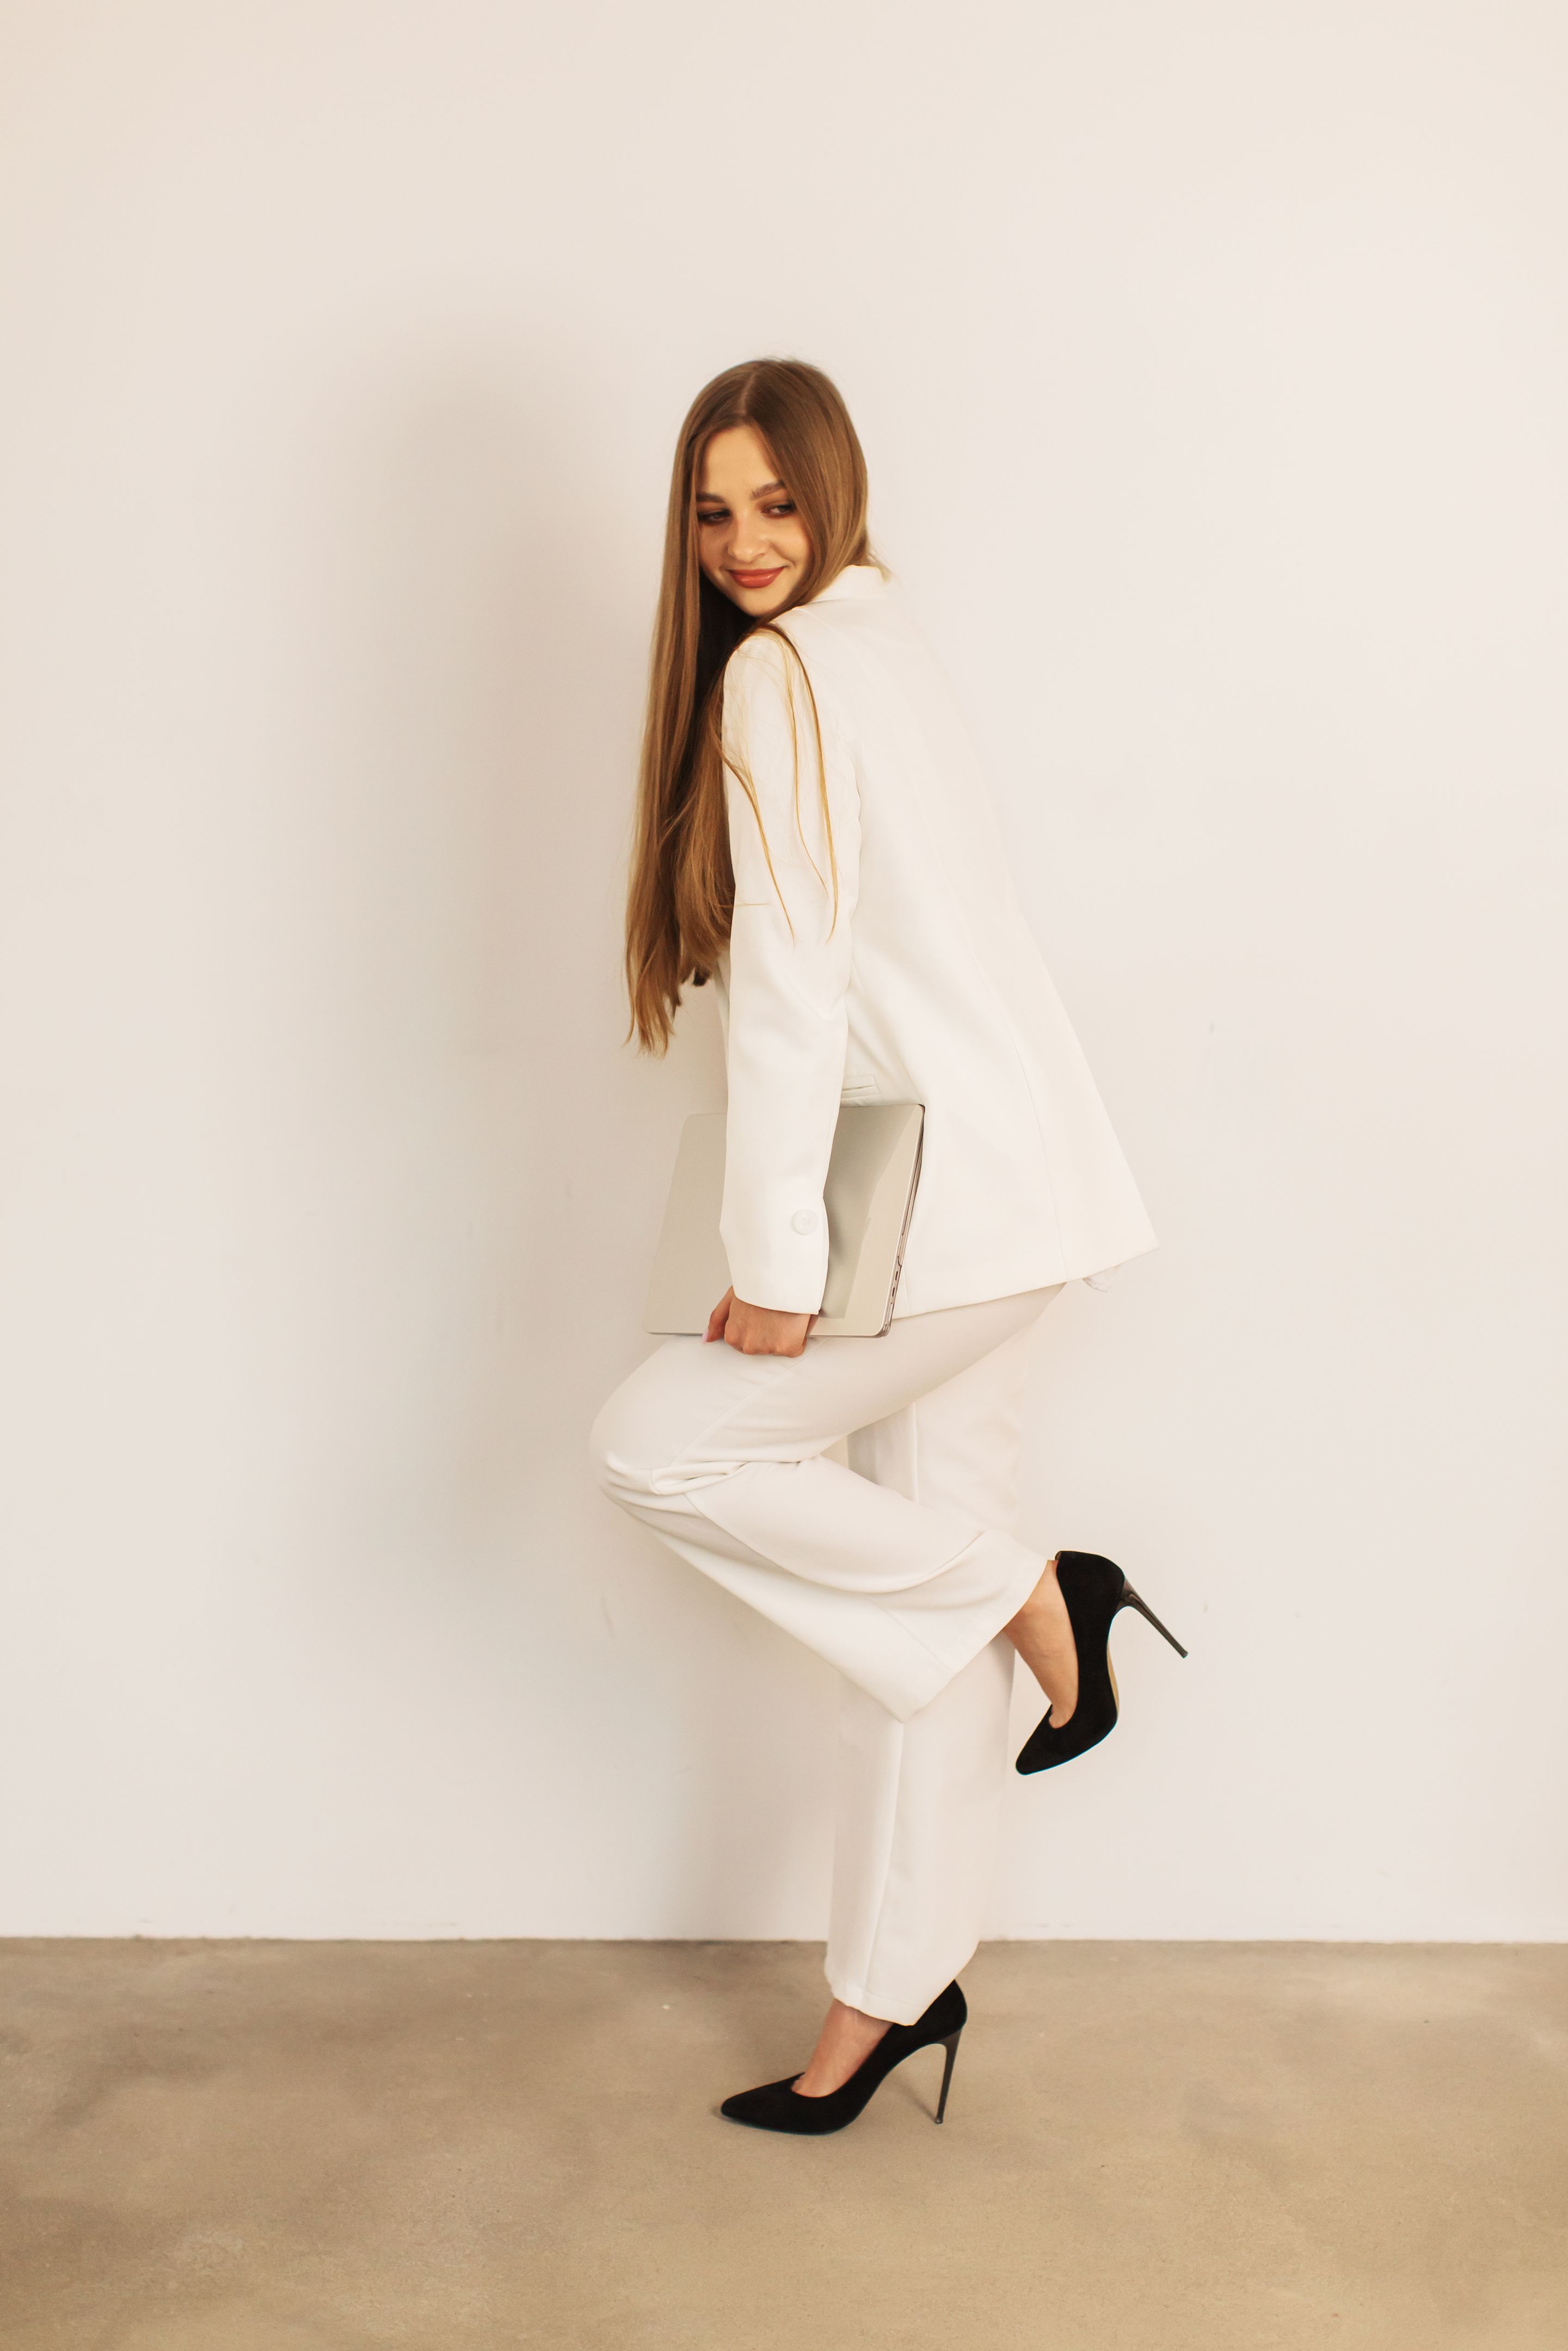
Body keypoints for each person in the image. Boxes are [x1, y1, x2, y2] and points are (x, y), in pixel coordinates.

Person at [590, 357, 1182, 2136]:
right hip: (1027, 1188)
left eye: (776, 503)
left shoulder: (781, 676)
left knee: (658, 1449)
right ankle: (887, 1997)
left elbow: (795, 987)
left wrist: (773, 1260)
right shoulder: (884, 645)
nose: (745, 543)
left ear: (831, 494)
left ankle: (1032, 1596)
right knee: (911, 1582)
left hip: (942, 1214)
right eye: (712, 511)